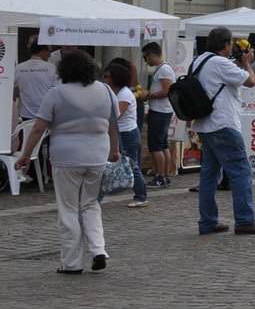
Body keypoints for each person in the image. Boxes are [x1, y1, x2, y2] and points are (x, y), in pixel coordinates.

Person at [15, 50, 119, 274]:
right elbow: (113, 124)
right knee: (91, 204)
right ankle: (98, 248)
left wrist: (25, 154)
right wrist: (115, 151)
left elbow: (38, 128)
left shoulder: (57, 93)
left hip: (66, 157)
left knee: (69, 209)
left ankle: (72, 262)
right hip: (98, 155)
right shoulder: (106, 91)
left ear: (63, 70)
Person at [189, 27, 255, 235]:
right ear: (226, 45)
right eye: (230, 44)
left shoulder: (199, 61)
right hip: (223, 123)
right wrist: (247, 63)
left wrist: (238, 63)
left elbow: (224, 78)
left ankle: (208, 221)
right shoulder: (220, 63)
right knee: (241, 171)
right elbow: (251, 81)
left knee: (209, 175)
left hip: (205, 125)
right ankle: (245, 220)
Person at [104, 62, 149, 209]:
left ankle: (141, 196)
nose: (104, 79)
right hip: (119, 132)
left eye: (107, 76)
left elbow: (116, 115)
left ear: (115, 78)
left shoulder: (124, 94)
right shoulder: (114, 92)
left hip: (127, 133)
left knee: (131, 164)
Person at [141, 42, 177, 189]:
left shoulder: (164, 70)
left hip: (161, 111)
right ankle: (165, 175)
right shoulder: (163, 69)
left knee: (155, 145)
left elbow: (167, 91)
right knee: (162, 144)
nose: (145, 61)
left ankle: (160, 176)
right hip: (161, 111)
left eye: (145, 57)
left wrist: (149, 95)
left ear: (151, 54)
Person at [15, 41, 59, 121]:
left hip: (26, 115)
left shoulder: (19, 68)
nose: (50, 55)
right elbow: (58, 90)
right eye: (49, 51)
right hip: (46, 114)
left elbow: (14, 92)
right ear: (42, 51)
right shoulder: (51, 67)